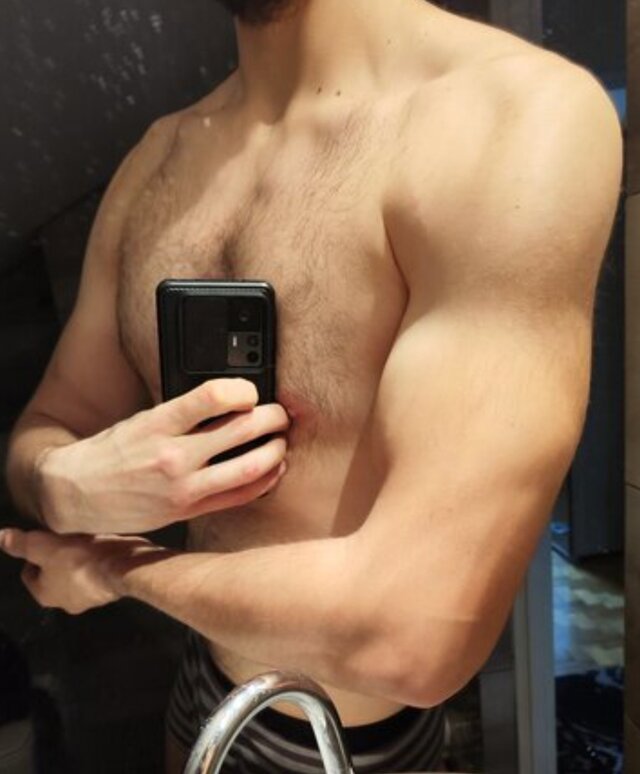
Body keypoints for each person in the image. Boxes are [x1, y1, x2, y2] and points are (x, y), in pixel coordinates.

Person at [1, 0, 623, 771]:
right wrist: (59, 482)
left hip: (351, 742)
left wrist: (114, 568)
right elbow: (54, 417)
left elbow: (415, 634)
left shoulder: (509, 118)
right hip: (200, 691)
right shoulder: (156, 161)